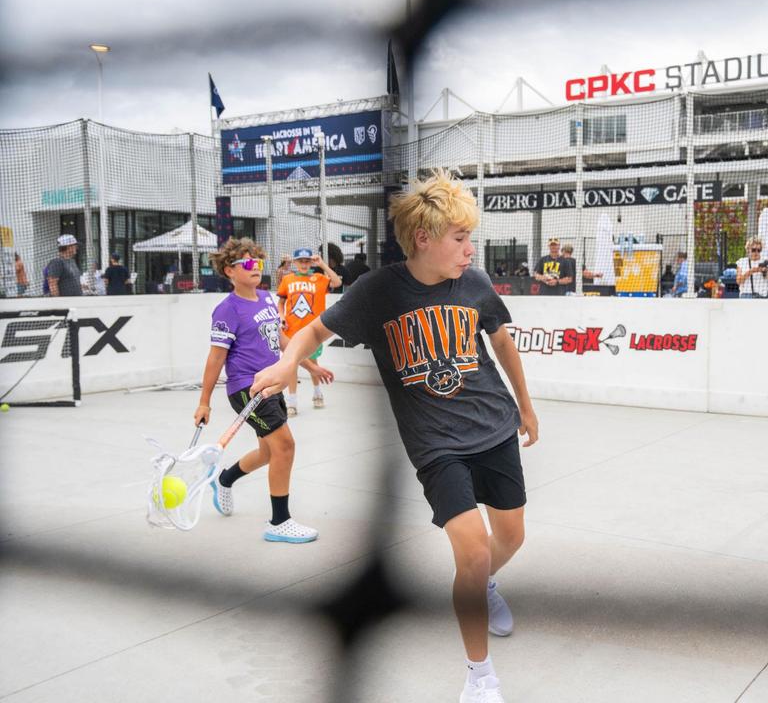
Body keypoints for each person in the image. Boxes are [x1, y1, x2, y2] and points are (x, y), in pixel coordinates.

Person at [251, 170, 538, 703]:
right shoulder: (379, 291)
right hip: (435, 445)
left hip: (494, 429)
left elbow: (502, 343)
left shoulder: (474, 284)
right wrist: (288, 362)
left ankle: (481, 587)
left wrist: (525, 406)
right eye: (460, 238)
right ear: (424, 238)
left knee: (511, 538)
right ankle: (481, 679)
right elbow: (314, 330)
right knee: (471, 551)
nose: (470, 249)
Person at [193, 238, 333, 544]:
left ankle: (225, 479)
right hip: (247, 387)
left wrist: (311, 367)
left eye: (258, 262)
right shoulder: (227, 310)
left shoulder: (267, 298)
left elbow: (283, 341)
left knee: (269, 452)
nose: (255, 268)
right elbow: (215, 358)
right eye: (247, 264)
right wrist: (204, 402)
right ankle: (279, 522)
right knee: (285, 447)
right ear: (229, 270)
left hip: (271, 384)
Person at [278, 248, 342, 414]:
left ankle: (317, 393)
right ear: (295, 262)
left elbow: (337, 283)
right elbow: (281, 302)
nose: (304, 264)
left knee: (313, 363)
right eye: (301, 261)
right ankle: (291, 402)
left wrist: (322, 264)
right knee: (292, 365)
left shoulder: (319, 279)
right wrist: (281, 317)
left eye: (307, 261)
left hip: (313, 331)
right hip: (291, 330)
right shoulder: (288, 279)